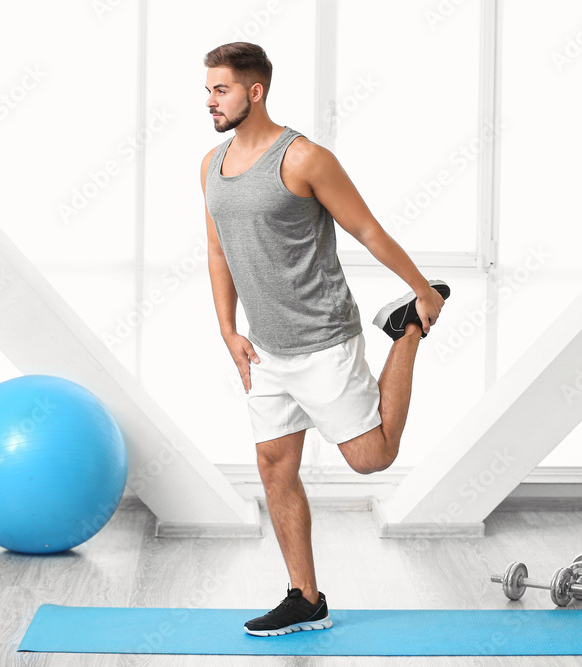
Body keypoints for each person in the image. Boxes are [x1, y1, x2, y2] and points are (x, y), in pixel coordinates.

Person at [200, 42, 451, 637]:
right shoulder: (210, 163)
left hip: (322, 338)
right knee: (274, 467)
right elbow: (216, 249)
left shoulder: (305, 158)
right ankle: (305, 598)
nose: (210, 100)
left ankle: (407, 330)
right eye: (208, 89)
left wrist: (422, 290)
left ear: (254, 91)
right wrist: (227, 331)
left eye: (221, 89)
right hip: (265, 348)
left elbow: (364, 227)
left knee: (371, 458)